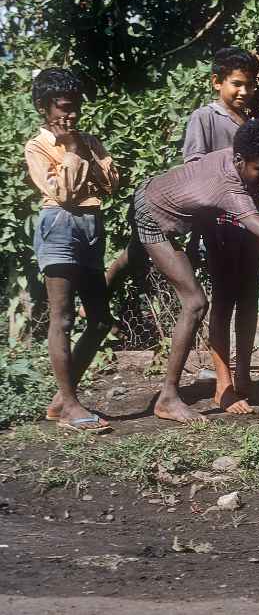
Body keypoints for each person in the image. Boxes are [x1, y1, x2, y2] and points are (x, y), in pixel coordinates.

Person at [107, 119, 259, 424]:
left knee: (135, 256)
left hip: (153, 192)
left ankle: (101, 289)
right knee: (196, 303)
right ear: (239, 160)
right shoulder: (230, 190)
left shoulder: (234, 156)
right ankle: (167, 398)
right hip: (152, 216)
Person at [25, 68, 120, 433]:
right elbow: (61, 193)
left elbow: (110, 183)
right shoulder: (37, 147)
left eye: (76, 107)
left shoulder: (89, 140)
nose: (71, 115)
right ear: (43, 108)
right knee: (62, 318)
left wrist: (82, 152)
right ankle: (70, 405)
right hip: (59, 227)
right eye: (63, 108)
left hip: (91, 226)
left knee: (99, 320)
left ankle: (63, 399)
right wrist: (73, 152)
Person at [181, 47, 259, 415]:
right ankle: (222, 383)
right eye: (236, 84)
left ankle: (245, 374)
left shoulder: (251, 123)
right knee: (224, 300)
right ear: (217, 82)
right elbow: (194, 167)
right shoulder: (204, 118)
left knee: (249, 299)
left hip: (251, 221)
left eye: (249, 85)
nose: (243, 91)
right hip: (219, 222)